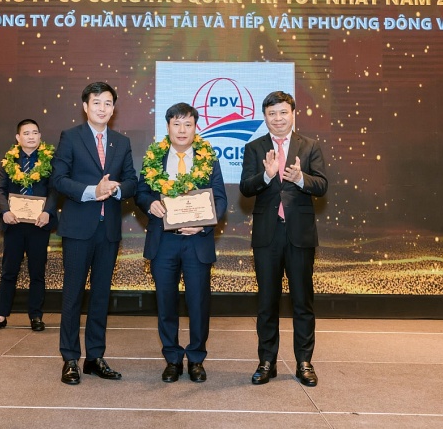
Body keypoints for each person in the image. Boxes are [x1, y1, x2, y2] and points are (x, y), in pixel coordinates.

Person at [239, 91, 328, 387]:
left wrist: (300, 178)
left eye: (283, 112)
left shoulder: (310, 146)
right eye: (272, 114)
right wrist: (266, 176)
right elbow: (246, 188)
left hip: (300, 235)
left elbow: (322, 185)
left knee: (303, 301)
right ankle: (267, 361)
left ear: (293, 114)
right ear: (265, 117)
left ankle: (304, 362)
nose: (278, 119)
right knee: (267, 302)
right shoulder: (254, 148)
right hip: (267, 235)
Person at [52, 82, 138, 385]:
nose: (103, 108)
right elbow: (58, 179)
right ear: (85, 106)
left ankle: (95, 357)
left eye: (108, 103)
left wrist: (116, 188)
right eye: (97, 102)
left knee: (101, 296)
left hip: (108, 230)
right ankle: (70, 358)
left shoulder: (121, 142)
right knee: (73, 294)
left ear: (114, 108)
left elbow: (132, 180)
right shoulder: (71, 137)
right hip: (78, 229)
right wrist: (92, 190)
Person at [136, 102, 227, 383]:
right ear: (168, 127)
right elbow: (141, 192)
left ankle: (196, 358)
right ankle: (172, 359)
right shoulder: (155, 156)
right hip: (163, 242)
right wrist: (150, 204)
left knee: (198, 303)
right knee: (166, 303)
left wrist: (204, 223)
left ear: (196, 128)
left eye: (188, 124)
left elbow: (220, 199)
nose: (182, 130)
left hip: (196, 242)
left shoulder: (208, 159)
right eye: (176, 124)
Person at [0, 119, 59, 333]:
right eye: (26, 133)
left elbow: (55, 190)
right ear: (18, 138)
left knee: (37, 273)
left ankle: (36, 316)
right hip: (14, 224)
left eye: (35, 132)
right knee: (9, 271)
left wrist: (47, 212)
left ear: (40, 136)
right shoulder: (8, 160)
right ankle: (1, 316)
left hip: (39, 224)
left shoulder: (50, 160)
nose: (31, 136)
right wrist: (5, 211)